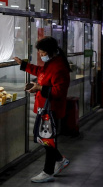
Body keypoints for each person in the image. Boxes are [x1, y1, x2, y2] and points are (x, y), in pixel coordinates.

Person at [13, 36, 71, 183]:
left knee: (48, 139)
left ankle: (48, 171)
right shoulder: (51, 62)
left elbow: (59, 91)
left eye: (43, 53)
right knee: (43, 137)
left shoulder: (59, 67)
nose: (41, 55)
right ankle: (60, 160)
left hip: (51, 109)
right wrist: (25, 66)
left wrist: (40, 87)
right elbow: (41, 72)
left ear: (51, 52)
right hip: (43, 107)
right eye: (39, 52)